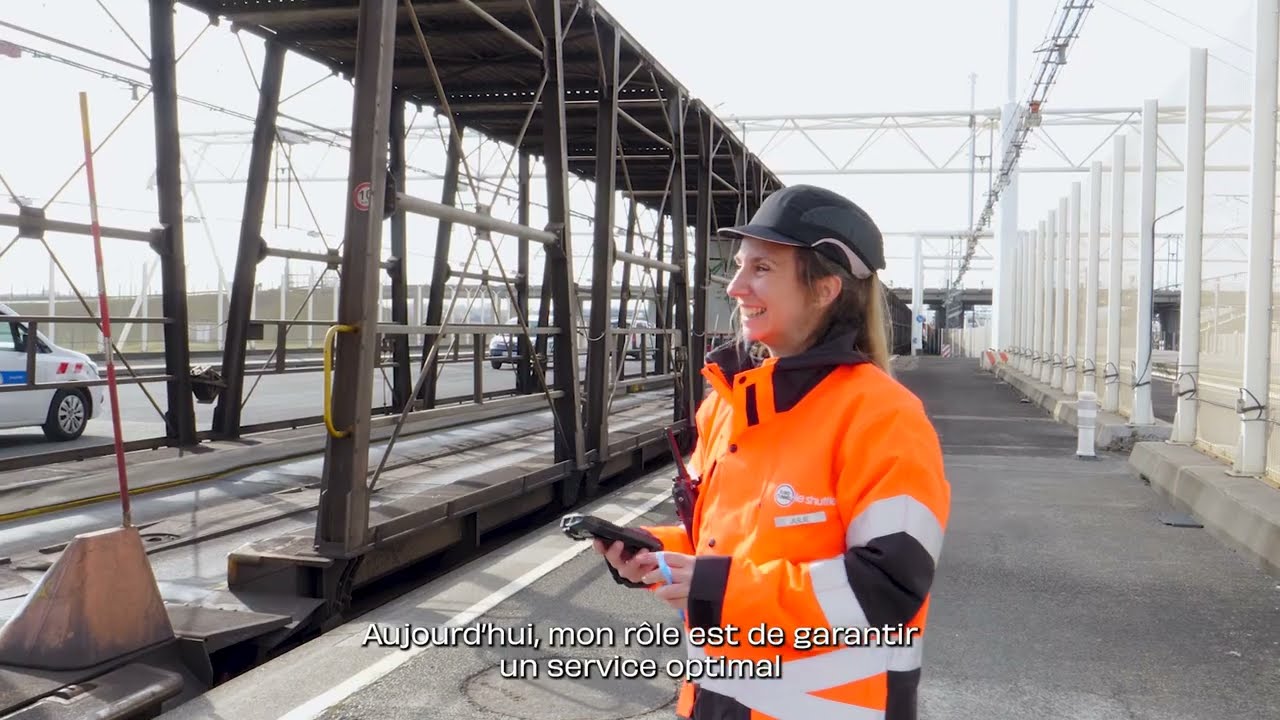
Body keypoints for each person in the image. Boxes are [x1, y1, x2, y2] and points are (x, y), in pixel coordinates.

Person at [595, 184, 950, 720]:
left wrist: (717, 586)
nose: (736, 287)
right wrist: (651, 551)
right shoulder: (728, 407)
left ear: (825, 289)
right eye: (738, 267)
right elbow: (726, 542)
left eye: (761, 268)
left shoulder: (883, 416)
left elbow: (887, 586)